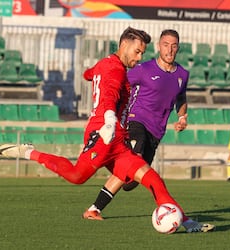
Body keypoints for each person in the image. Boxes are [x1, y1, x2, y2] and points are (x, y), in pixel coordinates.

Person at [0, 27, 215, 233]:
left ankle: (186, 221)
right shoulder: (117, 70)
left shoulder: (109, 64)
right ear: (124, 45)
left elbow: (88, 74)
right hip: (103, 134)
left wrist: (93, 74)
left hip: (118, 141)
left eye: (142, 53)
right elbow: (109, 96)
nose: (139, 58)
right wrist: (109, 121)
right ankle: (29, 152)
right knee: (76, 176)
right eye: (137, 51)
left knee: (152, 179)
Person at [82, 29, 192, 224]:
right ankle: (172, 211)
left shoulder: (183, 74)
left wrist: (182, 116)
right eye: (166, 44)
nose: (170, 49)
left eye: (174, 45)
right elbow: (117, 81)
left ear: (178, 48)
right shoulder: (143, 69)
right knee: (136, 162)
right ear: (159, 46)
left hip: (156, 132)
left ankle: (94, 209)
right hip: (136, 122)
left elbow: (181, 97)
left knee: (129, 179)